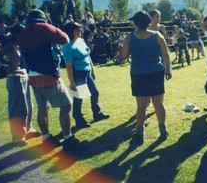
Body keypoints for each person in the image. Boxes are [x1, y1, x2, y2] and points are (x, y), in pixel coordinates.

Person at [18, 9, 80, 152]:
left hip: (32, 76)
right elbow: (65, 39)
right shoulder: (45, 27)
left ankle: (46, 138)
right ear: (42, 18)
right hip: (48, 74)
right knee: (66, 105)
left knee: (42, 108)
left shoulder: (23, 32)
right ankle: (68, 138)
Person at [121, 11, 172, 145]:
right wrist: (168, 70)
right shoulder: (157, 35)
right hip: (156, 72)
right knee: (158, 103)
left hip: (138, 74)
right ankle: (163, 130)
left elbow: (124, 56)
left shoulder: (129, 37)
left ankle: (139, 133)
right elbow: (166, 55)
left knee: (141, 106)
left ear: (136, 23)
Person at [0, 24, 41, 145]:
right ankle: (17, 136)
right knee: (17, 107)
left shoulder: (19, 45)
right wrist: (9, 65)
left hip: (23, 76)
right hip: (14, 78)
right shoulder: (10, 45)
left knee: (28, 105)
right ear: (16, 33)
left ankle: (28, 129)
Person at [62, 22, 109, 128]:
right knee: (79, 96)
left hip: (87, 72)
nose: (80, 31)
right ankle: (79, 120)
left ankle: (97, 114)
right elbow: (68, 65)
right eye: (77, 29)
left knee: (95, 92)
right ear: (72, 31)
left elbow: (88, 56)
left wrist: (93, 70)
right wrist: (72, 81)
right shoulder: (67, 45)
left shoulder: (81, 40)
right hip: (78, 73)